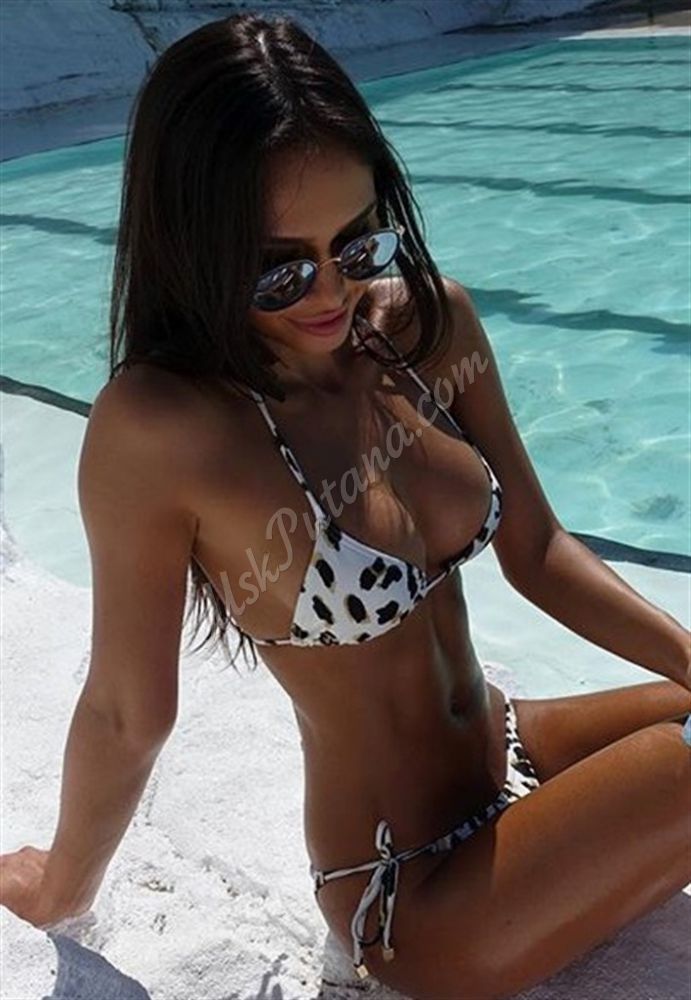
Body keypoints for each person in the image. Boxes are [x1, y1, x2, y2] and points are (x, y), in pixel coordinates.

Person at [1, 13, 690, 1000]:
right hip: (411, 892)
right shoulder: (165, 428)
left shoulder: (426, 325)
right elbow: (125, 708)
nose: (330, 291)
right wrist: (60, 886)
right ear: (193, 244)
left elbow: (537, 549)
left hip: (511, 751)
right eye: (278, 266)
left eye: (358, 242)